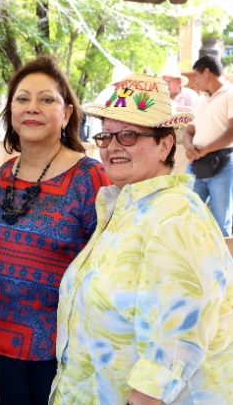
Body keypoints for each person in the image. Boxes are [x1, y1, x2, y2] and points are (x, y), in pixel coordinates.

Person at [50, 73, 233, 404]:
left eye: (129, 135)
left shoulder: (178, 219)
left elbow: (172, 354)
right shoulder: (127, 207)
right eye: (106, 135)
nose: (113, 146)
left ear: (165, 144)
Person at [0, 55, 111, 405]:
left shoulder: (89, 177)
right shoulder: (4, 174)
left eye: (46, 99)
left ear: (66, 113)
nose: (32, 107)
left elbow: (109, 267)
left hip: (64, 348)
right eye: (22, 99)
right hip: (4, 339)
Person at [183, 55, 233, 236]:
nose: (195, 81)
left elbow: (232, 132)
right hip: (195, 165)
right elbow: (188, 131)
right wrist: (188, 147)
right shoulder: (200, 100)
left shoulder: (230, 94)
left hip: (223, 164)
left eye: (196, 76)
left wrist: (204, 150)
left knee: (221, 225)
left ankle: (224, 256)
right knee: (186, 217)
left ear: (206, 72)